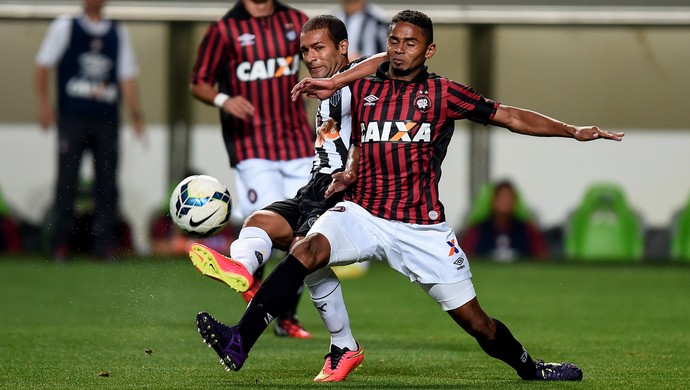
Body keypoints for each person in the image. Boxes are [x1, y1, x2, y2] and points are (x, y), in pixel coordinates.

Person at [193, 9, 625, 382]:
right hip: (363, 212)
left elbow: (509, 116)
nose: (399, 50)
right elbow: (367, 136)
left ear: (429, 51)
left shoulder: (443, 93)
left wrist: (573, 130)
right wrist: (352, 171)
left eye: (410, 43)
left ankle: (530, 367)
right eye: (394, 41)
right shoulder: (364, 88)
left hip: (421, 227)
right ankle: (240, 340)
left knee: (478, 324)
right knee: (307, 250)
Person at [190, 15, 385, 380]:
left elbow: (386, 59)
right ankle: (243, 269)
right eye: (304, 50)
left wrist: (339, 79)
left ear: (342, 47)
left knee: (303, 254)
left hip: (344, 189)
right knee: (260, 223)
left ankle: (247, 337)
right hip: (315, 186)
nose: (309, 57)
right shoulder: (321, 84)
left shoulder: (360, 75)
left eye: (319, 47)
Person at [189, 0, 315, 339]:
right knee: (269, 230)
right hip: (252, 146)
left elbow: (322, 53)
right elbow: (199, 82)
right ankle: (253, 286)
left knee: (305, 233)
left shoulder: (296, 20)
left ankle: (283, 312)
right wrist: (223, 100)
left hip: (300, 144)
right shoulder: (224, 29)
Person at [35, 0, 145, 262]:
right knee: (67, 182)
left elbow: (126, 76)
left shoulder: (118, 32)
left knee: (107, 185)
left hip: (106, 120)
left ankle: (105, 245)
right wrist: (43, 105)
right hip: (72, 119)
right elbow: (42, 65)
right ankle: (59, 245)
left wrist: (136, 114)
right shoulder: (65, 27)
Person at [460, 180, 549, 262]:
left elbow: (542, 256)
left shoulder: (527, 229)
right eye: (501, 197)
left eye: (509, 198)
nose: (505, 202)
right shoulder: (477, 230)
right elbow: (463, 257)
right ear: (492, 201)